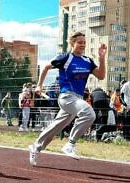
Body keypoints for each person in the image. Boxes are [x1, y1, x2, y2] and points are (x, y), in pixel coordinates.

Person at [29, 31, 107, 165]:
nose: (83, 45)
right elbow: (46, 67)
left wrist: (101, 58)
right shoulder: (66, 58)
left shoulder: (87, 61)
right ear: (72, 43)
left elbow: (101, 76)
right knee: (89, 114)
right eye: (79, 42)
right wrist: (39, 86)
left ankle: (36, 146)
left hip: (77, 99)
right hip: (66, 97)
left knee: (55, 127)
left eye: (84, 42)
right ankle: (70, 144)